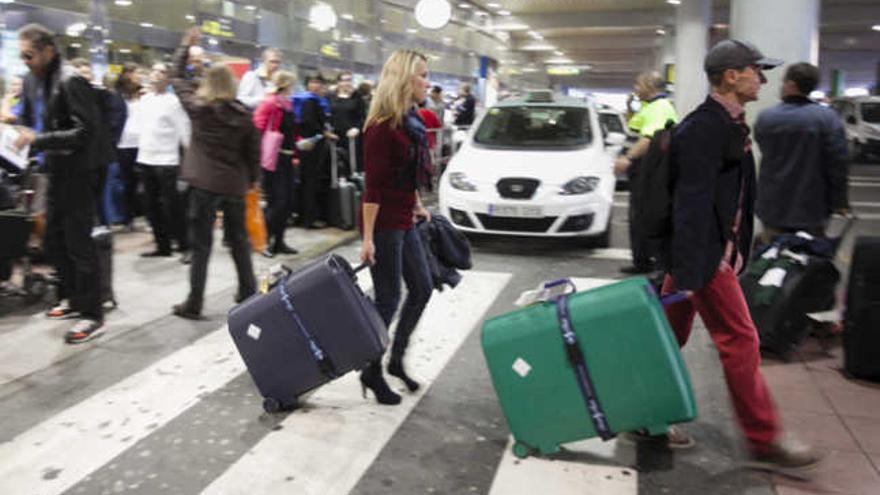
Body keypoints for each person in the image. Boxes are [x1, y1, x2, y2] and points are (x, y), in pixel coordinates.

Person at [658, 39, 822, 473]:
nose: (764, 79)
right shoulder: (704, 128)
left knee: (664, 335)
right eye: (756, 70)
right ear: (731, 76)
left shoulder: (728, 123)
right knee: (742, 340)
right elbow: (690, 204)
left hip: (702, 256)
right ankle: (764, 436)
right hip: (703, 257)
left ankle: (646, 416)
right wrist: (699, 268)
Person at [14, 23, 104, 343]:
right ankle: (72, 299)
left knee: (80, 244)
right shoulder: (31, 80)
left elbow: (85, 132)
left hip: (77, 173)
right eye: (21, 56)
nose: (25, 61)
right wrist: (15, 123)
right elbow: (26, 116)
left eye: (29, 55)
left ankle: (92, 313)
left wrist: (38, 139)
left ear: (48, 50)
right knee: (53, 241)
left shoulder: (71, 80)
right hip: (51, 170)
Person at [360, 49, 434, 405]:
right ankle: (371, 370)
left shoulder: (410, 121)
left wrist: (418, 204)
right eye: (422, 74)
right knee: (388, 298)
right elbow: (372, 187)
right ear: (405, 79)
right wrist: (369, 238)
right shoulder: (380, 127)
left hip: (406, 218)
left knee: (422, 287)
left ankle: (396, 359)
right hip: (386, 224)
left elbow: (407, 174)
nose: (427, 81)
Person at [170, 27, 259, 320]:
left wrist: (186, 45)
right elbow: (252, 155)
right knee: (239, 242)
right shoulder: (244, 116)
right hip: (233, 186)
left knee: (201, 247)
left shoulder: (199, 108)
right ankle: (248, 292)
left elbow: (177, 77)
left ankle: (194, 302)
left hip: (203, 185)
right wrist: (252, 181)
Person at [754, 62, 849, 243]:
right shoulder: (828, 119)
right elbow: (838, 163)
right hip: (813, 207)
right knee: (809, 259)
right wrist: (840, 202)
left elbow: (763, 146)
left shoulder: (766, 118)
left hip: (773, 205)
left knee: (771, 257)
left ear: (791, 84)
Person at [614, 71, 678, 274]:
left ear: (650, 86)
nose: (635, 88)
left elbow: (648, 139)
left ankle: (649, 262)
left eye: (638, 84)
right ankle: (642, 260)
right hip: (643, 170)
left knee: (644, 215)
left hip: (649, 170)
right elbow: (636, 125)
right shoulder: (650, 106)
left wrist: (628, 158)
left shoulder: (659, 108)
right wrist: (629, 105)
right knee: (638, 214)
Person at [136, 62, 191, 258]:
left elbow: (185, 132)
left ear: (168, 79)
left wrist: (190, 158)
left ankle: (185, 245)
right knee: (150, 206)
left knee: (172, 207)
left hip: (167, 161)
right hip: (145, 158)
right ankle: (163, 245)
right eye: (154, 70)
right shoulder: (144, 100)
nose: (157, 74)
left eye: (162, 72)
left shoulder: (173, 102)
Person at [253, 70, 299, 257]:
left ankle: (279, 241)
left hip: (287, 158)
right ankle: (265, 241)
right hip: (274, 159)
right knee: (277, 202)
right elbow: (258, 128)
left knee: (287, 202)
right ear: (286, 84)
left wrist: (298, 146)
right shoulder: (270, 103)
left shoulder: (287, 104)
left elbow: (291, 132)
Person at [296, 73, 336, 229]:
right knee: (310, 182)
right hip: (311, 146)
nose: (316, 85)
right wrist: (325, 133)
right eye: (313, 82)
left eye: (318, 82)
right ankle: (308, 219)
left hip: (312, 146)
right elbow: (309, 123)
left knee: (310, 181)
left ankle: (307, 217)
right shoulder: (310, 101)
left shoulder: (317, 101)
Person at [115, 63, 144, 229]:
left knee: (143, 181)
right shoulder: (118, 95)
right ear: (127, 75)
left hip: (142, 143)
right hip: (124, 144)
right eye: (136, 73)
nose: (139, 76)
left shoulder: (144, 94)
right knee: (128, 183)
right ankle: (128, 218)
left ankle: (141, 214)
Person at [329, 71, 366, 175]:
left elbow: (362, 116)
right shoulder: (331, 96)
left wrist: (357, 128)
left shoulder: (357, 96)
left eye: (349, 80)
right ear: (338, 82)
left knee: (352, 163)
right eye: (344, 80)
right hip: (335, 134)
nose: (346, 83)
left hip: (351, 136)